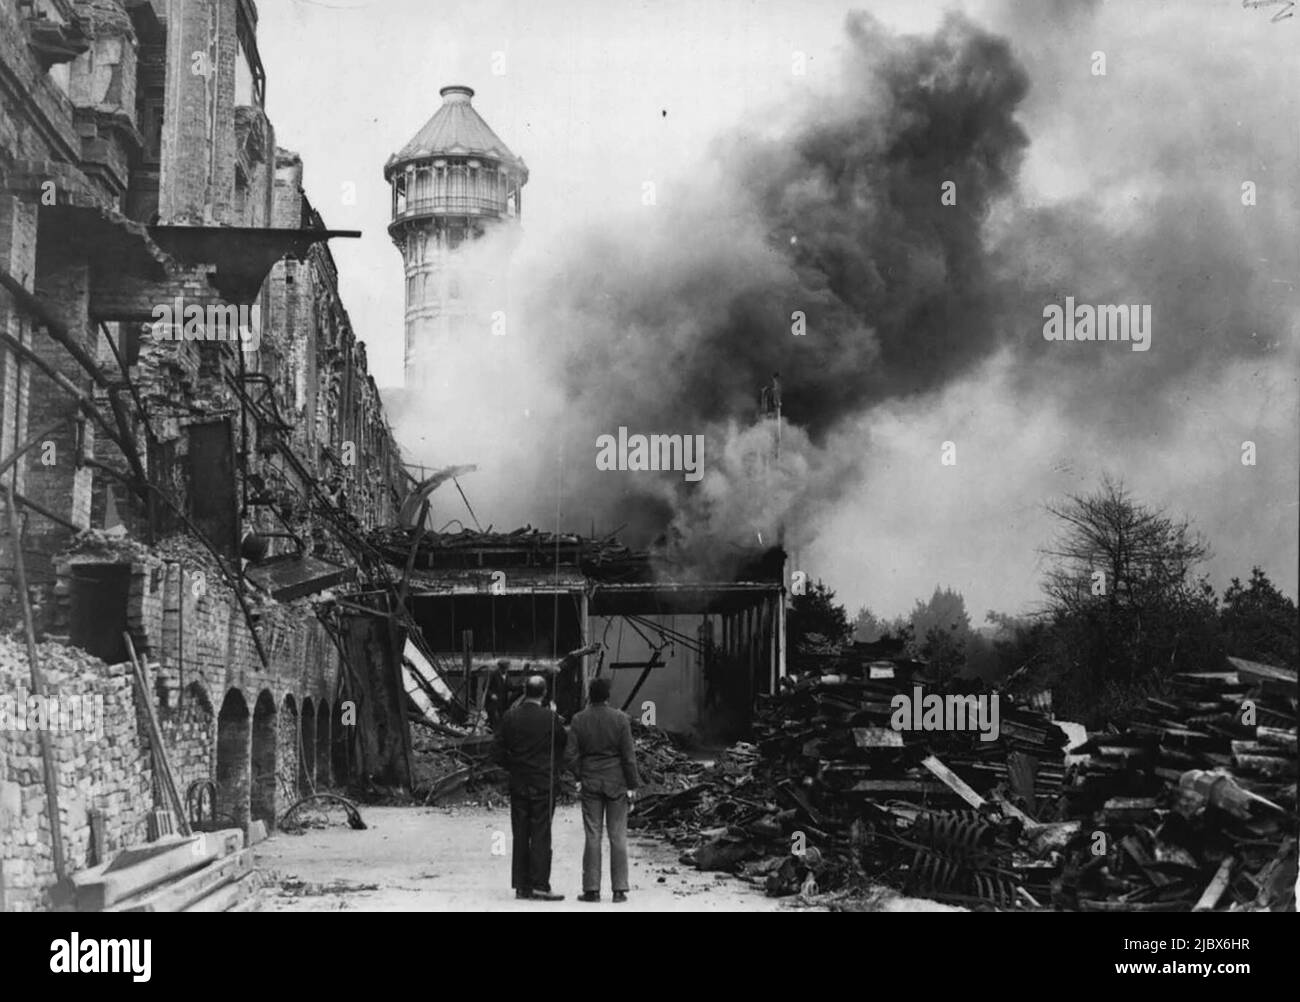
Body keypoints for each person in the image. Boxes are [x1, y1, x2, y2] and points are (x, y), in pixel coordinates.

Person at [564, 677, 640, 903]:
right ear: (607, 696)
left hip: (591, 782)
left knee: (593, 834)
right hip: (616, 783)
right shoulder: (621, 719)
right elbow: (628, 757)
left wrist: (580, 774)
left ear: (590, 695)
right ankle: (619, 890)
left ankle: (591, 890)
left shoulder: (579, 719)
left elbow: (569, 755)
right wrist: (632, 785)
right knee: (618, 835)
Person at [492, 675, 567, 901]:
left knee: (520, 833)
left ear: (524, 691)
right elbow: (562, 745)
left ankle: (521, 885)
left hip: (519, 782)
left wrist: (513, 765)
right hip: (544, 782)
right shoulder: (551, 718)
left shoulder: (510, 717)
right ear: (543, 693)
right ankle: (540, 884)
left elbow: (495, 753)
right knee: (541, 833)